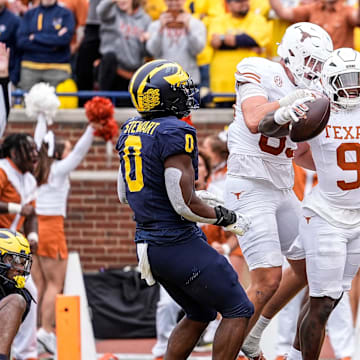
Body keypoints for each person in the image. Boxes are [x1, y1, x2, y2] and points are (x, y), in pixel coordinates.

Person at [116, 59, 253, 360]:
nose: (186, 95)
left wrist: (197, 196)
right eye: (179, 90)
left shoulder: (131, 129)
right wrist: (225, 217)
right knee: (239, 308)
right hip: (176, 242)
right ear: (162, 96)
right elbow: (183, 203)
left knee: (200, 311)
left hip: (148, 244)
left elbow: (125, 193)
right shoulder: (175, 131)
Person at [223, 22, 333, 359]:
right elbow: (255, 117)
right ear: (291, 52)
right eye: (311, 62)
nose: (314, 71)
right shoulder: (259, 68)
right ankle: (226, 346)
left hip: (282, 186)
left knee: (309, 267)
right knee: (267, 278)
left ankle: (253, 333)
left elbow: (299, 153)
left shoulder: (311, 92)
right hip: (249, 185)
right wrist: (285, 103)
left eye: (320, 64)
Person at [277, 47, 360, 360]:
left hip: (357, 215)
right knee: (322, 301)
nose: (353, 86)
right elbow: (297, 155)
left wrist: (332, 168)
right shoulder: (320, 111)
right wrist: (330, 170)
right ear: (330, 80)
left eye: (358, 79)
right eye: (347, 79)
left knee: (332, 298)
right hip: (326, 215)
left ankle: (297, 356)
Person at [31, 120, 100, 355]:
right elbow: (80, 151)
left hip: (33, 225)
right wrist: (92, 127)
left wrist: (41, 116)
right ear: (58, 153)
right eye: (66, 149)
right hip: (51, 227)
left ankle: (34, 331)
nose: (70, 152)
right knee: (54, 284)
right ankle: (46, 331)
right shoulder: (57, 169)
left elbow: (39, 139)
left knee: (38, 284)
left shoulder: (38, 168)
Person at [0, 133, 39, 360]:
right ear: (14, 152)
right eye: (29, 150)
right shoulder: (3, 169)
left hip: (11, 251)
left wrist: (32, 235)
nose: (35, 155)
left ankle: (26, 352)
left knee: (30, 291)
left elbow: (31, 213)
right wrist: (16, 208)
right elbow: (22, 209)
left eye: (35, 149)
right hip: (1, 246)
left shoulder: (30, 179)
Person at [208, 0, 270, 108]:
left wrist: (224, 39)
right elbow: (215, 42)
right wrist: (243, 43)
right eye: (238, 1)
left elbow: (252, 40)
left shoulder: (258, 20)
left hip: (251, 81)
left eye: (246, 1)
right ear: (228, 4)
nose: (243, 3)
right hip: (223, 84)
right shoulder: (219, 20)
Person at [97, 0, 151, 106]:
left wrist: (147, 41)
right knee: (109, 58)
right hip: (113, 72)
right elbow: (101, 10)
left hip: (132, 73)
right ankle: (102, 102)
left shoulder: (145, 19)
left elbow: (148, 52)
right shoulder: (112, 14)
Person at [16, 0, 75, 92]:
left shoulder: (66, 14)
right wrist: (53, 44)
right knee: (27, 102)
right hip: (30, 68)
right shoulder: (30, 14)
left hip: (58, 68)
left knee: (59, 104)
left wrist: (35, 37)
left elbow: (64, 40)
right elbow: (22, 42)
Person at [145, 0, 206, 87]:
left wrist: (188, 29)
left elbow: (197, 50)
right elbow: (152, 51)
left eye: (177, 0)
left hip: (188, 79)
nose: (173, 3)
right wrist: (160, 30)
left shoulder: (196, 24)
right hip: (163, 80)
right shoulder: (155, 25)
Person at [269, 0, 360, 49]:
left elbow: (357, 19)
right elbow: (283, 13)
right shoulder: (312, 9)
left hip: (339, 69)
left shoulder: (347, 10)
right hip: (316, 69)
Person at [0, 229, 34, 360]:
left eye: (21, 262)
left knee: (17, 301)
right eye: (13, 260)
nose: (19, 268)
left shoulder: (17, 293)